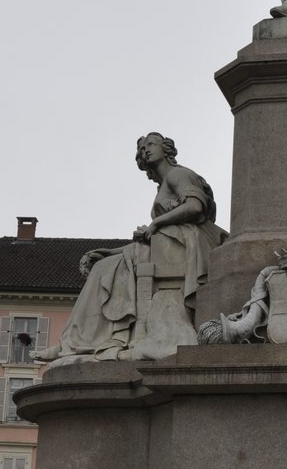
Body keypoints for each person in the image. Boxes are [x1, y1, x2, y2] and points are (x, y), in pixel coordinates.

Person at [38, 133, 226, 363]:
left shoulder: (177, 174)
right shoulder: (164, 184)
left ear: (166, 149)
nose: (145, 150)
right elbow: (150, 239)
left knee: (103, 270)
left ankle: (77, 342)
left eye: (151, 145)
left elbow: (195, 206)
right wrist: (113, 251)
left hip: (186, 244)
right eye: (142, 148)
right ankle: (74, 341)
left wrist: (156, 223)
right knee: (104, 266)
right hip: (169, 244)